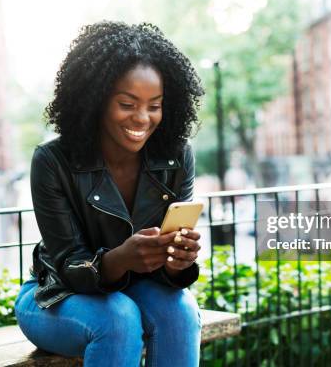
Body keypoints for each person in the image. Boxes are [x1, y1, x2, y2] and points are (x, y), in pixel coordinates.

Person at [14, 21, 205, 366]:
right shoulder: (52, 161)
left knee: (180, 311)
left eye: (155, 105)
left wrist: (180, 263)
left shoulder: (176, 156)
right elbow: (69, 263)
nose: (143, 118)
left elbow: (168, 275)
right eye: (127, 103)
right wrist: (120, 259)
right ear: (96, 98)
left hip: (134, 290)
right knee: (118, 320)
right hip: (57, 297)